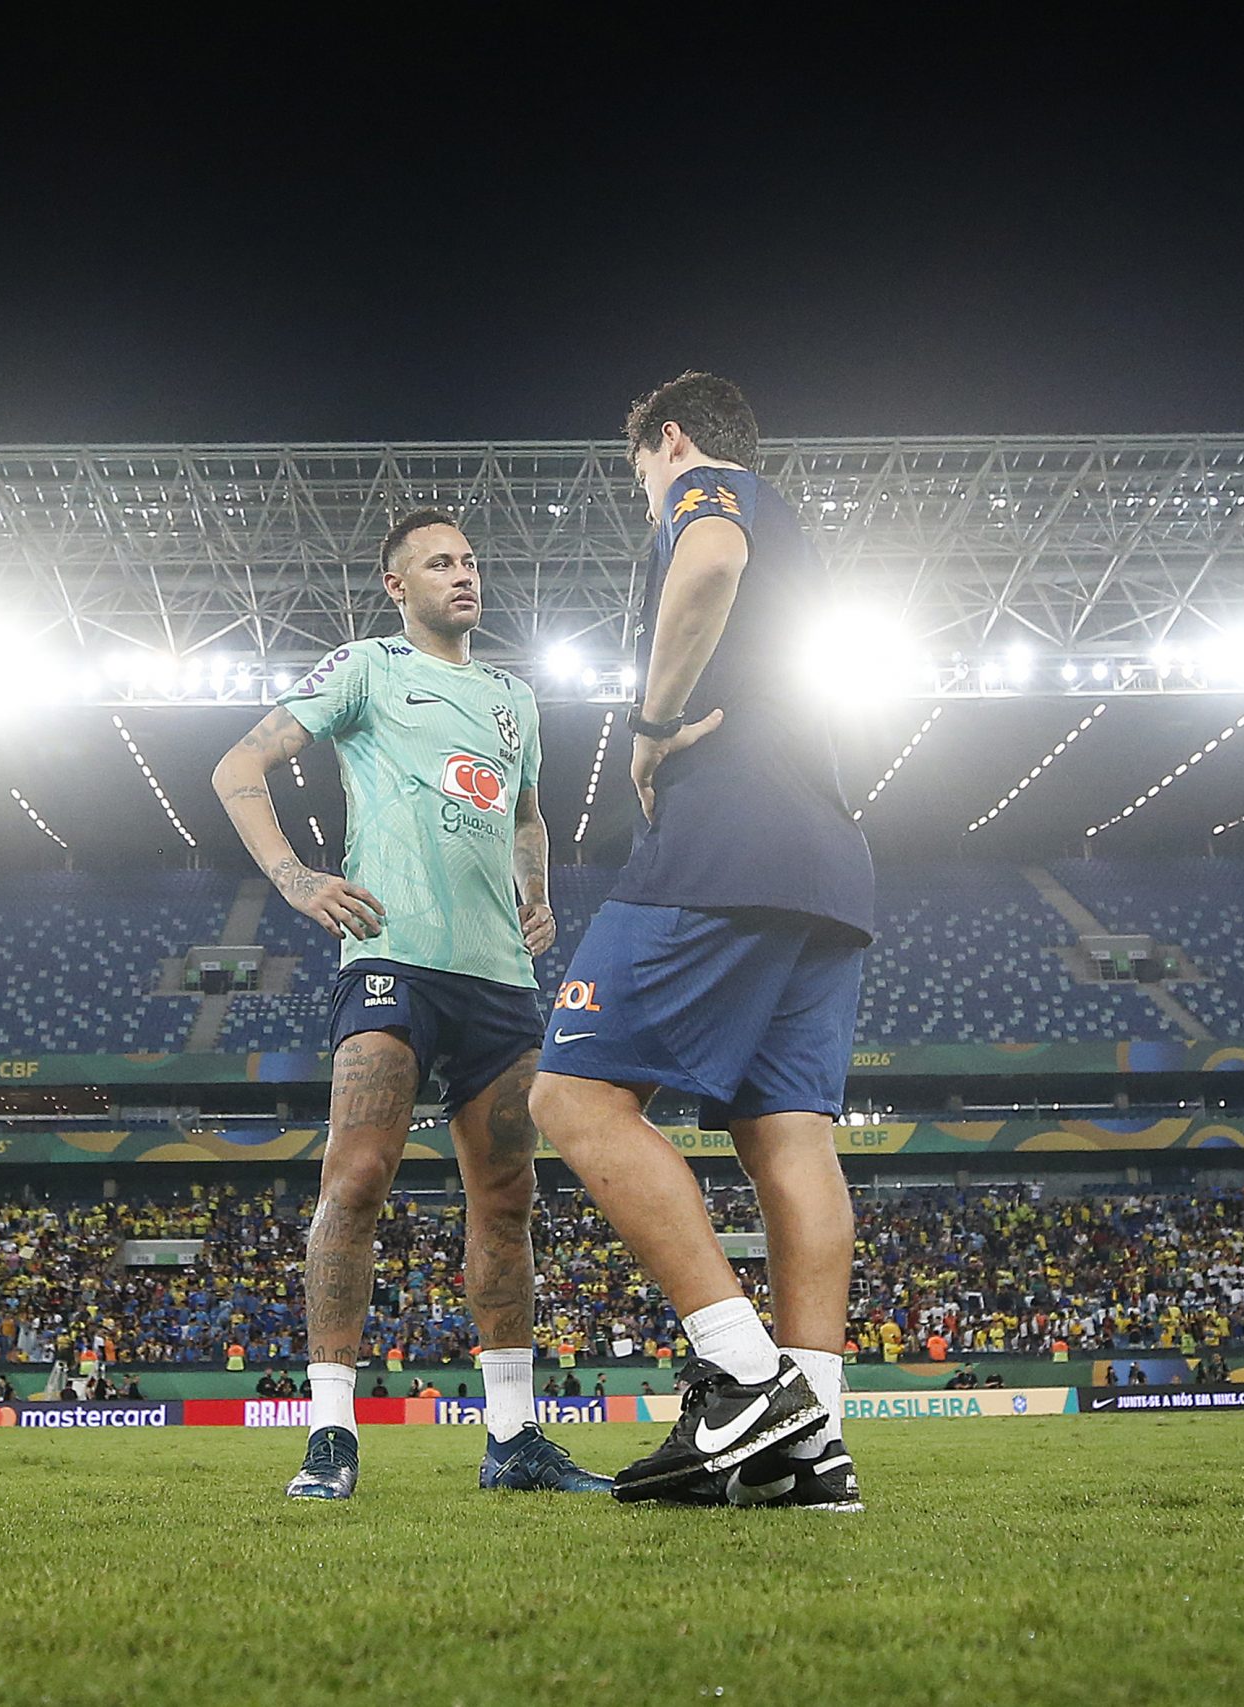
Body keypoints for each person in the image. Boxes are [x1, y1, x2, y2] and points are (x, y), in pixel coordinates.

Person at [530, 373, 874, 1514]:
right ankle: (812, 1447)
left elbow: (710, 562)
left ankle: (739, 1372)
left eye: (640, 472)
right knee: (789, 1136)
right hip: (826, 862)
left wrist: (650, 724)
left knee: (572, 1098)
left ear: (667, 440)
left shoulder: (711, 486)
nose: (645, 495)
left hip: (727, 841)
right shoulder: (800, 529)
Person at [215, 508, 609, 1501]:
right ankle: (331, 1435)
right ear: (398, 586)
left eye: (470, 559)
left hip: (497, 980)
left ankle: (514, 1438)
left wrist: (539, 895)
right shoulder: (366, 668)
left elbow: (526, 813)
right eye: (439, 563)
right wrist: (297, 878)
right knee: (355, 1177)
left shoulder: (515, 698)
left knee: (509, 1199)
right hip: (391, 956)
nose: (463, 574)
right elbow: (237, 768)